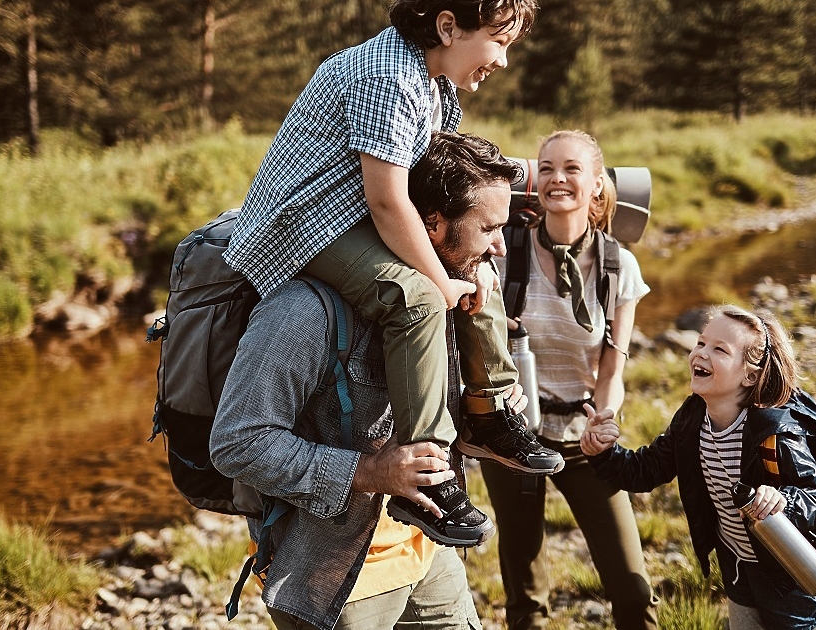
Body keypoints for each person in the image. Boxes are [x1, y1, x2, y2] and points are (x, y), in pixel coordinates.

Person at [222, 0, 563, 546]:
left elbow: (435, 182)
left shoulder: (436, 85)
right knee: (419, 297)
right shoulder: (389, 76)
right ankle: (429, 476)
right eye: (499, 42)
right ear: (448, 27)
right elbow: (387, 202)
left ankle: (489, 410)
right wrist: (442, 283)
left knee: (477, 262)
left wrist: (469, 264)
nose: (502, 60)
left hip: (353, 216)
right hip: (303, 226)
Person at [211, 132, 526, 630]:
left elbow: (424, 429)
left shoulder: (445, 294)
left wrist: (481, 419)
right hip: (333, 579)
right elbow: (237, 443)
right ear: (431, 224)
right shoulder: (301, 313)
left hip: (427, 554)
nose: (501, 248)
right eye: (488, 228)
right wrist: (373, 473)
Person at [480, 130, 658, 630]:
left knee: (632, 586)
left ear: (597, 184)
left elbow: (612, 368)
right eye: (548, 168)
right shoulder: (501, 254)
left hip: (584, 441)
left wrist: (605, 418)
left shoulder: (618, 265)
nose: (558, 178)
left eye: (573, 169)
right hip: (512, 438)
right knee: (525, 592)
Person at [582, 305, 816, 629]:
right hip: (738, 567)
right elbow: (646, 469)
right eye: (701, 343)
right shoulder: (692, 419)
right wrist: (604, 453)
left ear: (750, 374)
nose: (701, 353)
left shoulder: (776, 432)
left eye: (720, 349)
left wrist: (782, 499)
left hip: (794, 578)